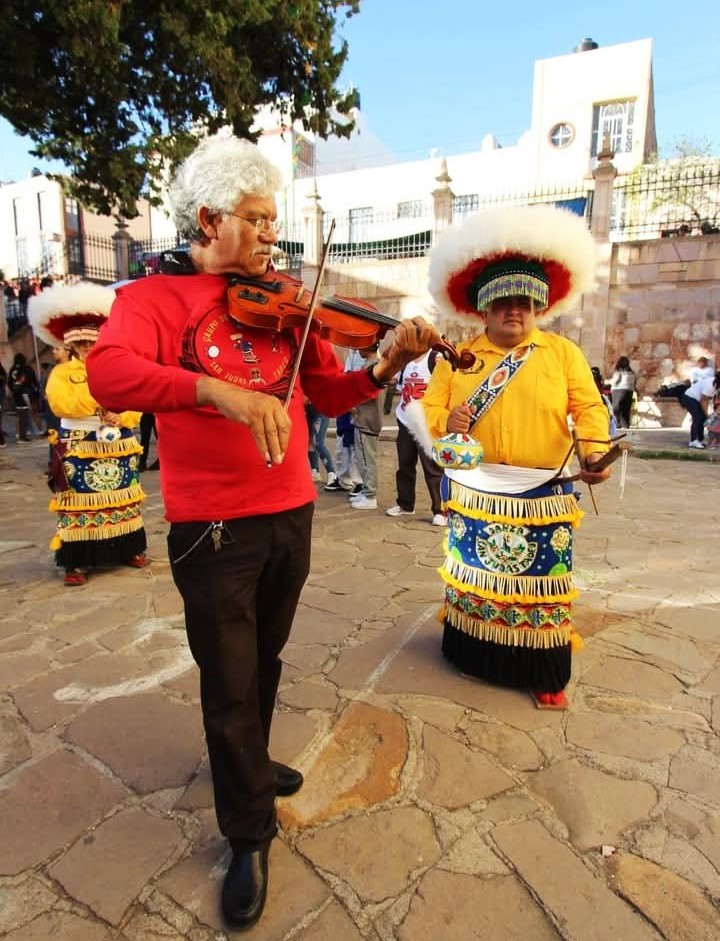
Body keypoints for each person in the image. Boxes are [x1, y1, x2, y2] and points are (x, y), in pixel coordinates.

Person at [84, 134, 439, 931]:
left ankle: (247, 761)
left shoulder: (284, 299)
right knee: (229, 675)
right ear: (208, 220)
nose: (272, 237)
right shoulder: (151, 302)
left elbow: (336, 394)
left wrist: (386, 363)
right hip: (210, 526)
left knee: (264, 658)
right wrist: (216, 391)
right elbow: (108, 374)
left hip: (290, 512)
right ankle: (247, 832)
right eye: (256, 219)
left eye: (275, 219)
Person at [413, 204, 611, 710]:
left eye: (524, 301)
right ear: (483, 309)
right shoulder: (459, 357)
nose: (514, 311)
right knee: (475, 581)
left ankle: (544, 672)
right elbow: (430, 408)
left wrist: (594, 450)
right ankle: (472, 656)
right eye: (502, 303)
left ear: (538, 306)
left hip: (542, 494)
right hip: (476, 493)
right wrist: (447, 422)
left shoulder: (562, 354)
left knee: (540, 589)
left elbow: (588, 407)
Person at [28, 282, 150, 587]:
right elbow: (61, 403)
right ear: (72, 346)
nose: (87, 348)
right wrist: (102, 403)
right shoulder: (62, 374)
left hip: (117, 443)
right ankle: (77, 559)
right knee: (80, 501)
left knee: (123, 498)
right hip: (80, 443)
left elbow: (138, 400)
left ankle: (128, 548)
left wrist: (121, 413)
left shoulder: (119, 367)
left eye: (91, 342)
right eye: (81, 344)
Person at [386, 349, 446, 526]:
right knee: (404, 465)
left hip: (426, 424)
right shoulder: (405, 360)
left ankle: (440, 510)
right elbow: (395, 381)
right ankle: (405, 503)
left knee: (432, 468)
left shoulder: (435, 358)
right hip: (405, 420)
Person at [344, 344, 383, 510]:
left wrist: (352, 401)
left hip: (367, 419)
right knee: (363, 458)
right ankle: (366, 491)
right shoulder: (373, 364)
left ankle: (370, 495)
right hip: (364, 417)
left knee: (367, 460)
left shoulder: (373, 366)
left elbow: (366, 392)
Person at [680, 369, 718, 449]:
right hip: (689, 398)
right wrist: (707, 414)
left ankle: (700, 440)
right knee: (698, 418)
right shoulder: (711, 385)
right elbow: (703, 401)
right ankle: (693, 441)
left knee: (702, 418)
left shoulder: (715, 383)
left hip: (696, 399)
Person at [7, 352, 39, 441]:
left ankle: (19, 433)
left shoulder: (12, 369)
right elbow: (33, 381)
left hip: (16, 394)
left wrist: (13, 390)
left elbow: (9, 382)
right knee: (27, 413)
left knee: (19, 414)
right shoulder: (27, 369)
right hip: (26, 393)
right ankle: (24, 435)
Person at [608, 356, 636, 430]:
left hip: (618, 390)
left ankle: (617, 424)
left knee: (616, 408)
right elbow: (634, 382)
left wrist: (607, 382)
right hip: (629, 391)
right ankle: (626, 424)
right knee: (626, 408)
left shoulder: (619, 371)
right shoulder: (632, 372)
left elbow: (615, 381)